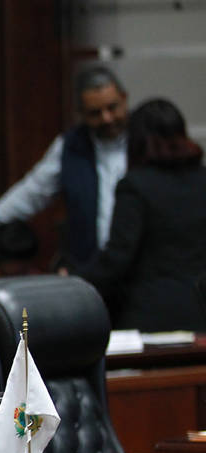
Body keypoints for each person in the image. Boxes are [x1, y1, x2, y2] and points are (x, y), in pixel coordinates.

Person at [0, 66, 129, 270]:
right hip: (89, 268)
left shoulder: (147, 140)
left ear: (124, 99)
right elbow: (30, 194)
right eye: (95, 113)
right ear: (81, 114)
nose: (107, 118)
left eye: (112, 108)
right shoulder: (70, 146)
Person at [77, 98, 206, 332]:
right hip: (200, 312)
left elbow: (118, 257)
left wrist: (76, 283)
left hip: (152, 316)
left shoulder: (135, 186)